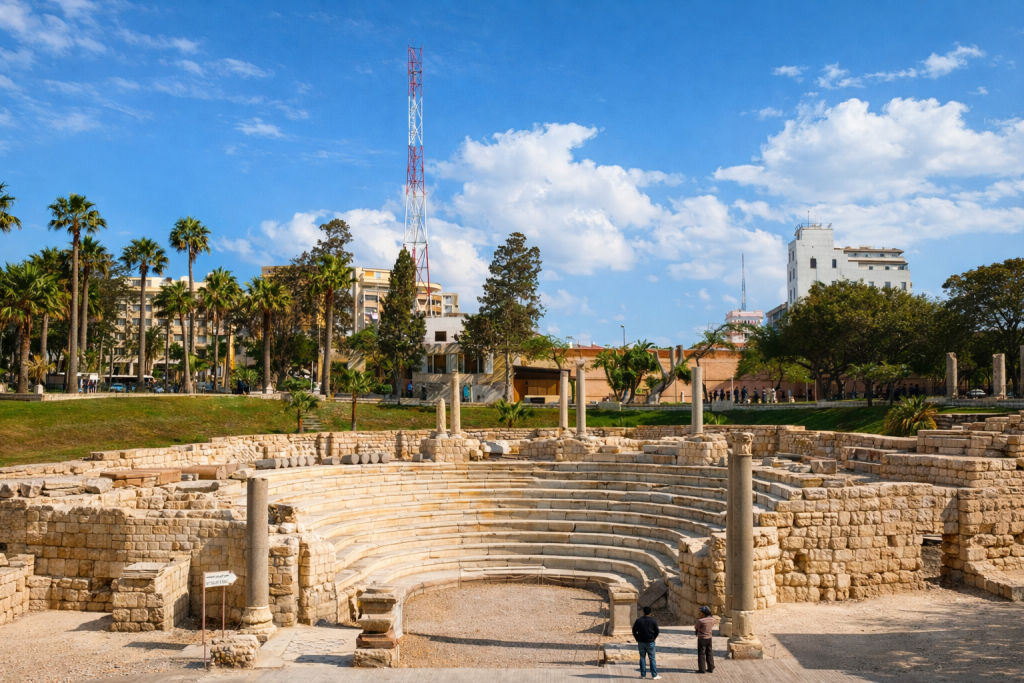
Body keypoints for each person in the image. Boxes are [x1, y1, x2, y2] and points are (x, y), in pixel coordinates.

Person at [632, 606, 661, 679]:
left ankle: (643, 674)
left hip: (641, 641)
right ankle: (654, 675)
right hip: (650, 642)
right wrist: (654, 637)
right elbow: (657, 631)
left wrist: (637, 638)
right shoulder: (653, 621)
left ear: (643, 612)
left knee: (642, 657)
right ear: (650, 613)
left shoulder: (639, 620)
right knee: (652, 658)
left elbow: (634, 630)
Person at [695, 605, 715, 674]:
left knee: (701, 653)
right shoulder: (713, 619)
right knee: (709, 652)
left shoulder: (701, 621)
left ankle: (702, 669)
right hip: (709, 637)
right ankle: (711, 667)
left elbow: (696, 627)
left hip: (702, 638)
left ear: (703, 613)